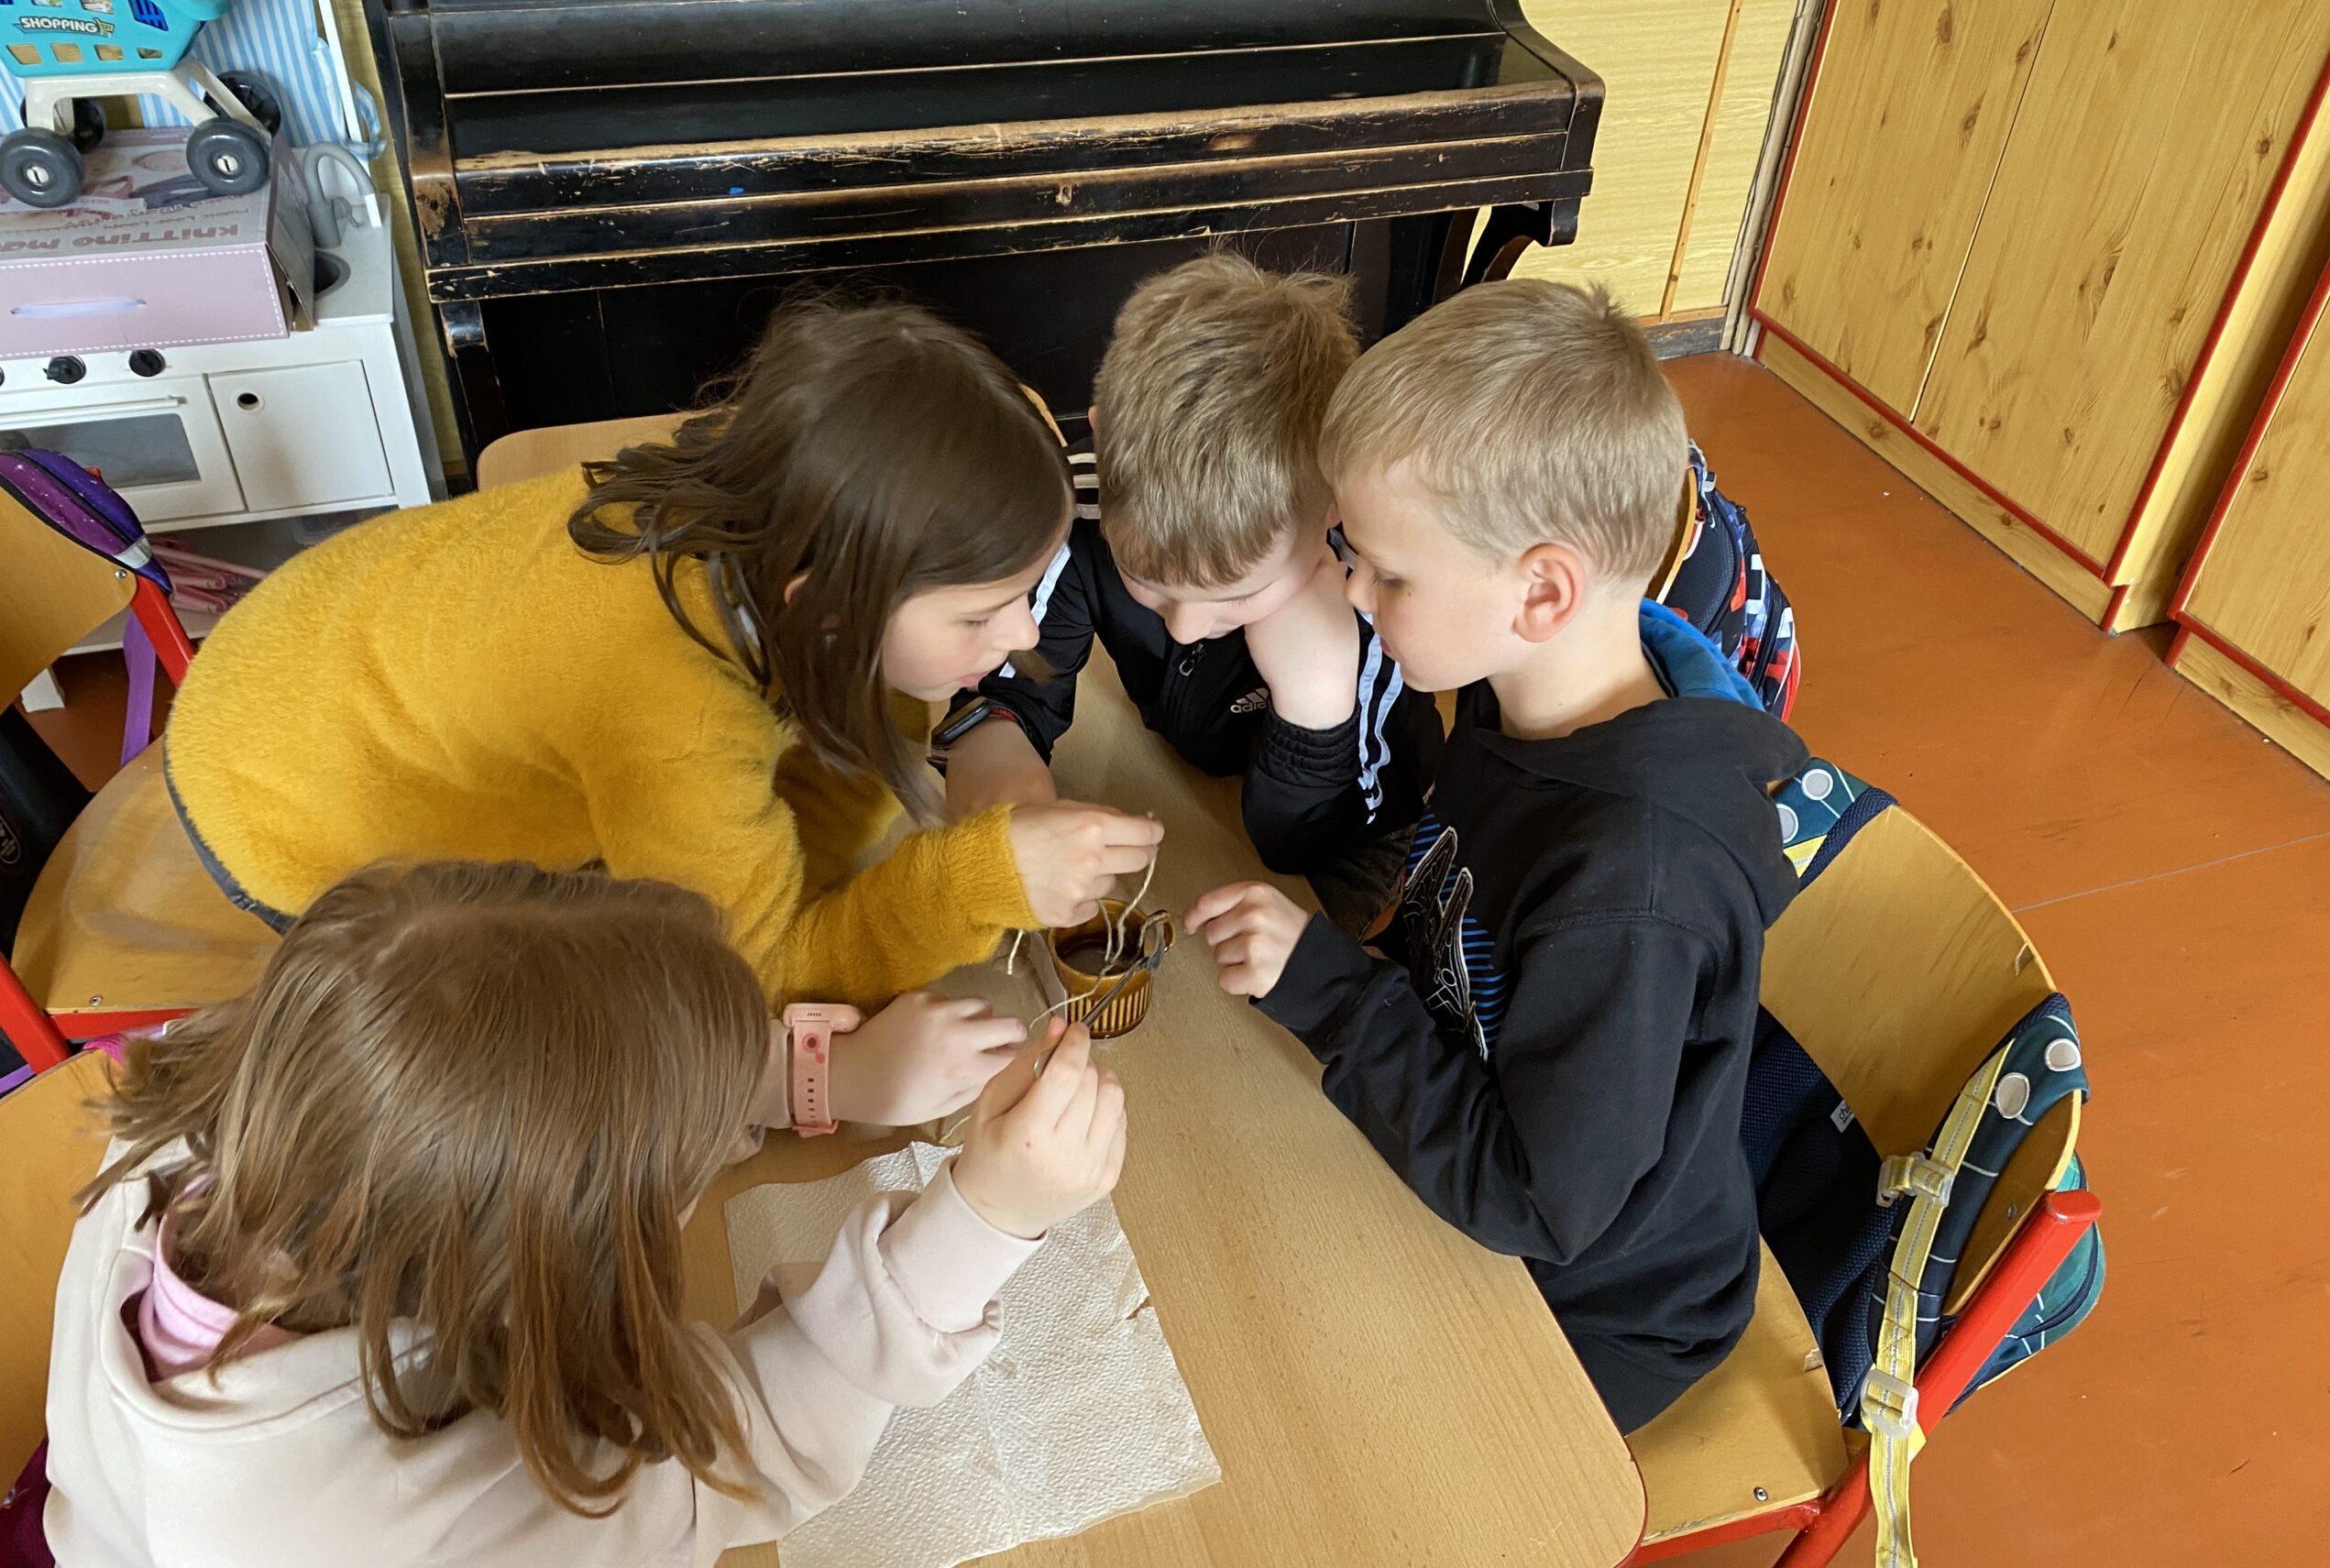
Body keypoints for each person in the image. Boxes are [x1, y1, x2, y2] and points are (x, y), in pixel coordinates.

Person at [160, 297, 1163, 1119]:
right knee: (566, 1023)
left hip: (299, 652)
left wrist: (827, 854)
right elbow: (740, 987)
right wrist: (969, 884)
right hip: (279, 802)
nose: (1021, 640)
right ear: (832, 607)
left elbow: (819, 783)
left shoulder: (800, 497)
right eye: (983, 613)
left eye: (1028, 595)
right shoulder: (670, 712)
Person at [44, 861, 1126, 1568]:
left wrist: (813, 1079)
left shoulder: (247, 1104)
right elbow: (736, 1457)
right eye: (684, 1156)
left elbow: (511, 1059)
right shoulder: (465, 1524)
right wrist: (982, 1221)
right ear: (562, 1260)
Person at [1185, 279, 1810, 1431]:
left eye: (1387, 572)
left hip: (1598, 1302)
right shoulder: (1515, 695)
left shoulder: (1630, 890)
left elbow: (1536, 1200)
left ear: (1541, 591)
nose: (1352, 589)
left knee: (1309, 1427)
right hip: (1473, 1144)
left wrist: (1331, 993)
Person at [937, 254, 1442, 933]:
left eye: (1238, 595)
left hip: (1354, 819)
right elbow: (1007, 695)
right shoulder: (1081, 508)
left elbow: (1303, 846)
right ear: (1103, 448)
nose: (1183, 629)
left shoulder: (1370, 599)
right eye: (1147, 582)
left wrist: (1315, 699)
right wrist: (1017, 811)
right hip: (1195, 768)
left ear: (1333, 503)